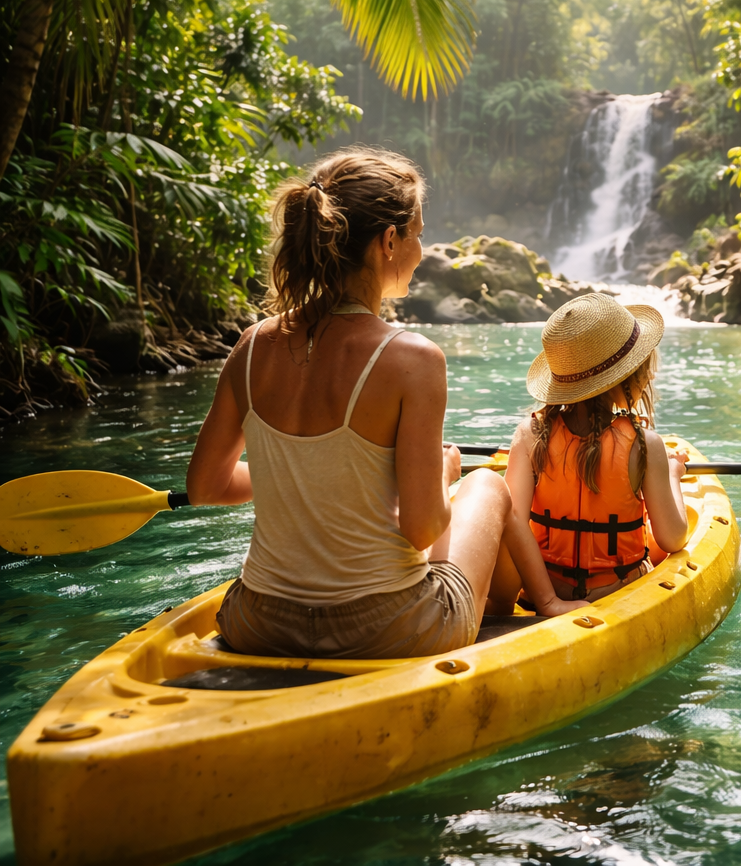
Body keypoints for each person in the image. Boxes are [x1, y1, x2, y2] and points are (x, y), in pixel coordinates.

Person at [186, 148, 585, 660]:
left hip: (256, 620)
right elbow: (421, 526)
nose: (421, 248)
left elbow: (206, 486)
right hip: (387, 627)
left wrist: (301, 477)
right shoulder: (411, 358)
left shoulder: (251, 346)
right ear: (389, 241)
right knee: (486, 483)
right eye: (418, 232)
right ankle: (526, 613)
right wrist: (443, 478)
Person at [500, 293, 691, 604]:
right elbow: (673, 538)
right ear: (632, 373)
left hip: (545, 592)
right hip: (620, 593)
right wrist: (673, 474)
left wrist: (547, 600)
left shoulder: (529, 434)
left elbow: (513, 528)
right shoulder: (645, 444)